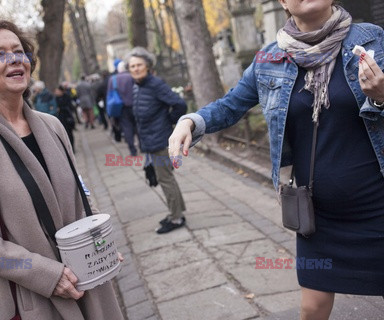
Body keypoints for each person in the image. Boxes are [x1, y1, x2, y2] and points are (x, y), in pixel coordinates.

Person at [169, 1, 384, 319]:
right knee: (312, 309)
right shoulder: (269, 58)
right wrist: (190, 122)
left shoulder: (370, 39)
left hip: (376, 206)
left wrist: (381, 96)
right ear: (283, 2)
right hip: (318, 216)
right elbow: (231, 105)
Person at [0, 14, 124, 319]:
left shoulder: (52, 126)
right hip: (35, 300)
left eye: (18, 51)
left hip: (91, 285)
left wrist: (99, 242)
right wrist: (45, 275)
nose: (14, 60)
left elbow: (80, 193)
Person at [127, 47, 187, 234]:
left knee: (165, 179)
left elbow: (179, 104)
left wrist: (169, 123)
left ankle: (176, 218)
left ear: (147, 66)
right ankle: (176, 212)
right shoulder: (138, 85)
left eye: (139, 65)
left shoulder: (155, 84)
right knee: (165, 178)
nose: (135, 69)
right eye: (132, 66)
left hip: (160, 141)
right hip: (150, 141)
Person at [108, 61, 137, 156]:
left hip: (121, 107)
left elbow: (110, 95)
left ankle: (132, 149)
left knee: (127, 127)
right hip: (134, 105)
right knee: (137, 125)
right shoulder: (131, 76)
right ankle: (142, 146)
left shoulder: (113, 79)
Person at [54, 84, 75, 149]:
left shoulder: (67, 96)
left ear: (61, 91)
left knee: (69, 133)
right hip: (60, 118)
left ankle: (72, 147)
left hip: (67, 117)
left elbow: (70, 107)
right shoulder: (56, 98)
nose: (56, 92)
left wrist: (61, 108)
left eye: (57, 91)